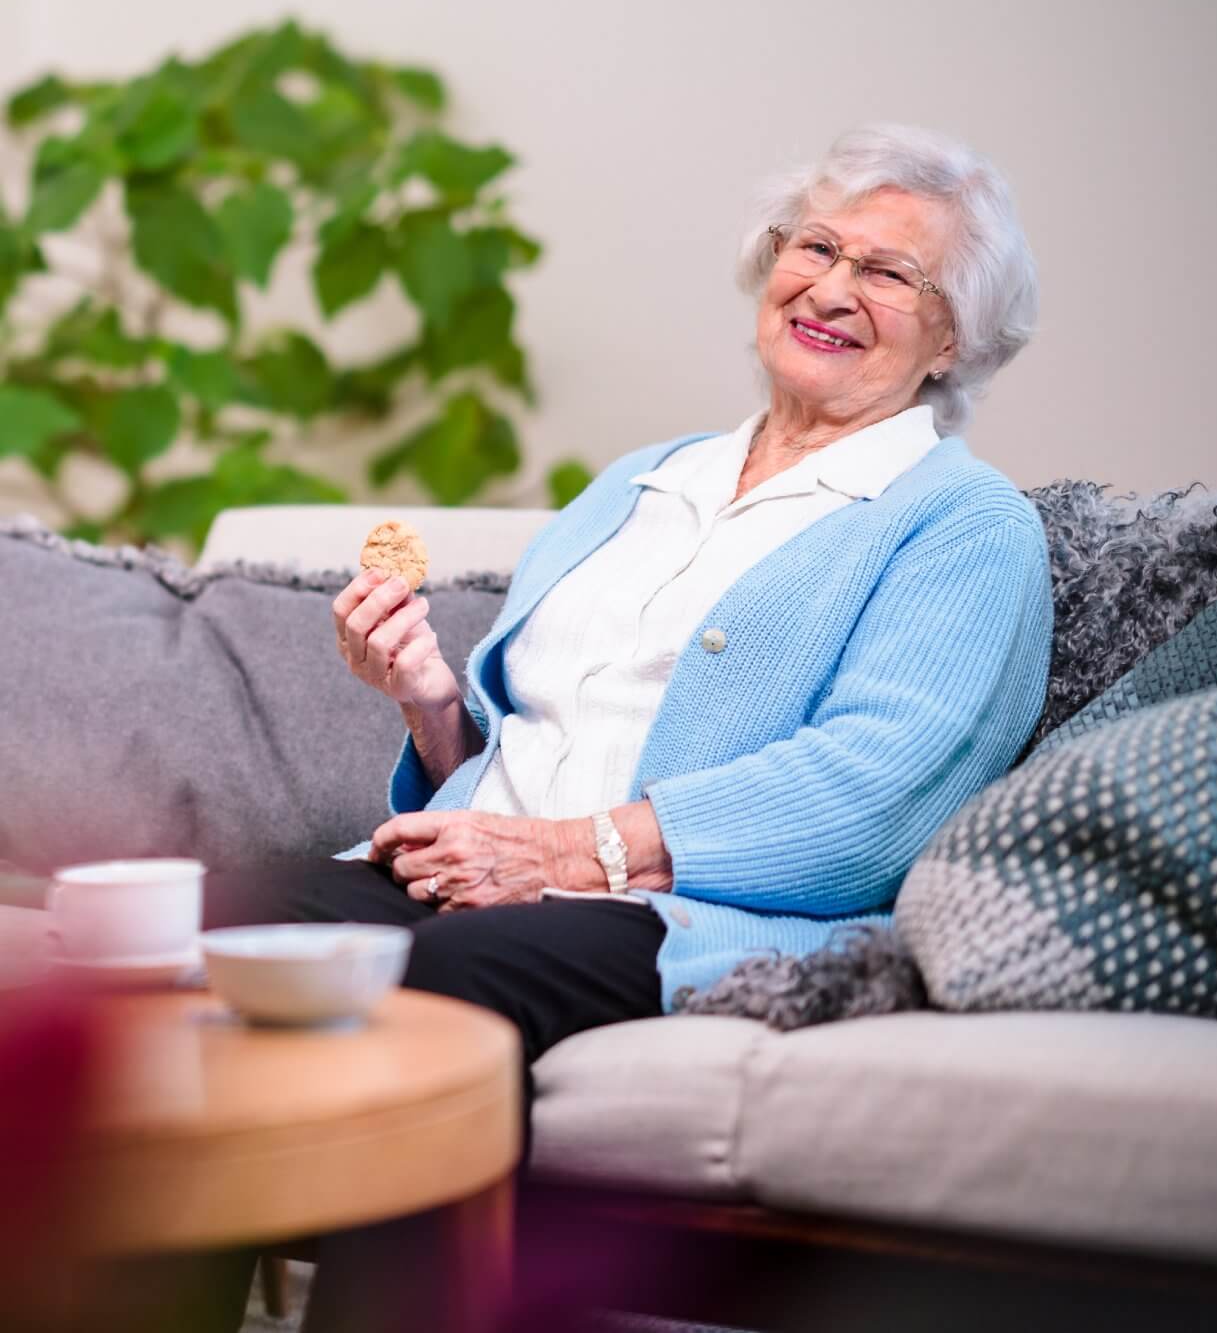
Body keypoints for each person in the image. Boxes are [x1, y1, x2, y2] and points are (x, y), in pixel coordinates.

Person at [205, 121, 1052, 1327]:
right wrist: (431, 702)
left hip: (677, 915)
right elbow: (524, 745)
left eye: (887, 271)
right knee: (211, 926)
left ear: (953, 336)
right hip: (485, 880)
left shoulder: (962, 529)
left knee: (440, 984)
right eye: (815, 247)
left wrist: (562, 854)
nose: (830, 286)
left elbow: (878, 801)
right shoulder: (644, 481)